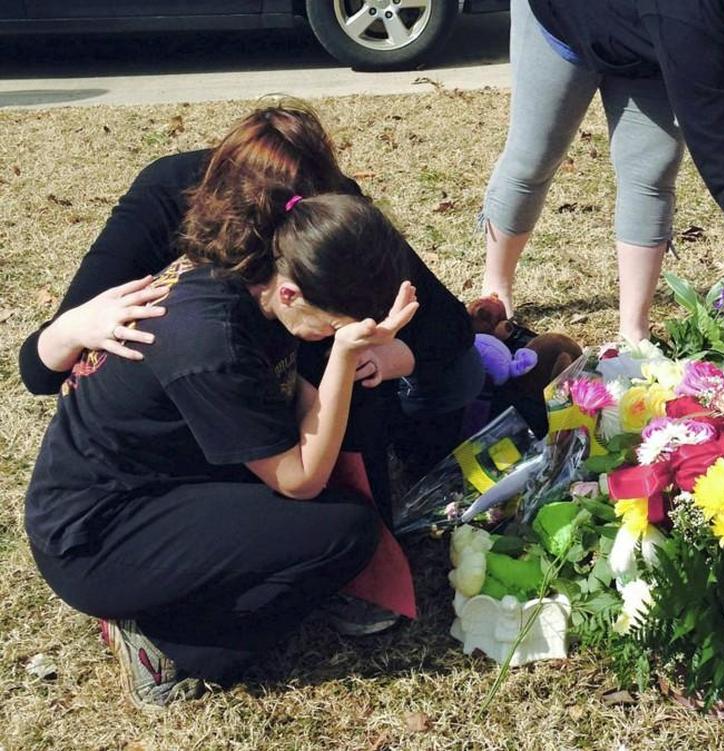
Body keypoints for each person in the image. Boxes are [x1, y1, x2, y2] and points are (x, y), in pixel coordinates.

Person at [26, 183, 420, 711]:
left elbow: (283, 393)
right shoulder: (210, 342)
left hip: (153, 481)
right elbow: (301, 480)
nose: (329, 338)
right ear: (290, 295)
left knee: (337, 494)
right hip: (97, 537)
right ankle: (168, 646)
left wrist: (352, 357)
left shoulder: (254, 272)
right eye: (332, 328)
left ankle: (170, 592)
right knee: (343, 534)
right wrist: (344, 360)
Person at [18, 103, 483, 508]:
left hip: (305, 373)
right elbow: (37, 372)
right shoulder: (168, 195)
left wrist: (388, 355)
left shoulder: (333, 217)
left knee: (449, 376)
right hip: (207, 413)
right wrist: (75, 326)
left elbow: (445, 326)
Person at [479, 0, 724, 342]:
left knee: (652, 171)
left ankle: (634, 333)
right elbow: (720, 153)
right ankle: (494, 293)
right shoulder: (688, 21)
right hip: (565, 18)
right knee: (535, 156)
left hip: (650, 40)